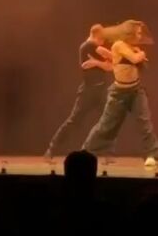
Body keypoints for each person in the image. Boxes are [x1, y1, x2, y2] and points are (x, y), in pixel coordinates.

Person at [82, 20, 158, 167]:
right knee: (105, 125)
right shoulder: (119, 45)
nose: (140, 36)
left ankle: (152, 154)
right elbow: (134, 59)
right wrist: (141, 53)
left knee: (145, 123)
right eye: (137, 33)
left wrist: (138, 54)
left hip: (135, 91)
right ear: (129, 34)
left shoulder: (131, 47)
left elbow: (128, 63)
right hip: (119, 93)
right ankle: (85, 152)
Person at [44, 24, 113, 159]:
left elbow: (111, 67)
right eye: (102, 39)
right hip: (88, 91)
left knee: (108, 120)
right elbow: (108, 58)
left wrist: (97, 63)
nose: (104, 42)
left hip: (101, 90)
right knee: (74, 120)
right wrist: (103, 63)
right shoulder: (86, 46)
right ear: (96, 36)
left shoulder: (96, 49)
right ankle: (52, 148)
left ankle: (107, 153)